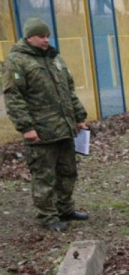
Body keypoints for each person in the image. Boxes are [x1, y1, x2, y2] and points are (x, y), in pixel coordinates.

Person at [1, 17, 89, 231]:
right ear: (29, 37)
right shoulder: (16, 61)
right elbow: (14, 97)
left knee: (68, 171)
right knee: (44, 175)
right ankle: (48, 217)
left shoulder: (55, 59)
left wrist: (79, 117)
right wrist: (27, 128)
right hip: (40, 131)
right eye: (41, 36)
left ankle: (65, 208)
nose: (46, 40)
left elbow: (69, 91)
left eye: (48, 36)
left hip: (64, 128)